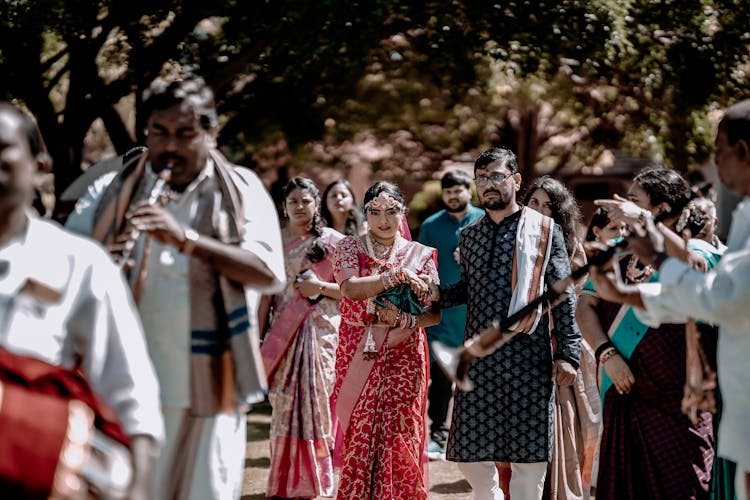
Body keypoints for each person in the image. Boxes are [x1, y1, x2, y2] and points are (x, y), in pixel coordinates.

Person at [65, 78, 285, 499]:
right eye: (159, 133)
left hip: (210, 388)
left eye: (185, 135)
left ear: (210, 134)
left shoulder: (241, 189)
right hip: (124, 386)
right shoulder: (109, 191)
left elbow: (268, 272)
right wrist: (98, 259)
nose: (171, 148)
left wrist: (187, 240)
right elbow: (67, 269)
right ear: (144, 132)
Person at [587, 99, 750, 500]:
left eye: (719, 152)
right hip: (634, 400)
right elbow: (696, 296)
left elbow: (721, 297)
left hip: (684, 405)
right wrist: (618, 298)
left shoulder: (711, 245)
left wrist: (657, 256)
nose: (716, 163)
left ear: (743, 152)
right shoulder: (745, 214)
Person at [0, 102, 164, 498]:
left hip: (35, 471)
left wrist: (138, 489)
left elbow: (132, 394)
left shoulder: (79, 262)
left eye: (1, 148)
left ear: (39, 164)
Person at [436, 147, 581, 500]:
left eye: (496, 176)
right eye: (481, 179)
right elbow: (467, 290)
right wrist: (433, 293)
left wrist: (568, 353)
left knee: (528, 462)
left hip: (528, 359)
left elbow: (562, 294)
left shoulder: (545, 230)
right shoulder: (469, 235)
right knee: (470, 453)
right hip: (479, 360)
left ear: (515, 180)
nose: (488, 185)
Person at [580, 165, 716, 499]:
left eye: (635, 201)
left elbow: (691, 269)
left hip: (681, 400)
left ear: (660, 209)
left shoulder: (698, 251)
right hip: (626, 392)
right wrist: (606, 353)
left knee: (685, 486)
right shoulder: (620, 253)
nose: (624, 208)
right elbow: (584, 306)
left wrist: (642, 220)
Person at [331, 180, 441, 499]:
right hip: (358, 346)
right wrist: (394, 276)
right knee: (358, 425)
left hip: (405, 352)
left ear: (402, 213)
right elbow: (350, 288)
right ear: (365, 213)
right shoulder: (350, 246)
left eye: (391, 212)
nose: (384, 219)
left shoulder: (417, 254)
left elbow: (434, 313)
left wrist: (406, 319)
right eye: (375, 211)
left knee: (402, 426)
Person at [259, 177, 343, 499]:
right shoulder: (272, 242)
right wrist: (259, 336)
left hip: (321, 334)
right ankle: (283, 481)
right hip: (282, 336)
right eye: (292, 201)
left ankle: (316, 480)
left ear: (316, 204)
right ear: (284, 206)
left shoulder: (334, 242)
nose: (298, 207)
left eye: (305, 201)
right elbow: (266, 295)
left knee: (318, 405)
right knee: (283, 406)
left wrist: (320, 288)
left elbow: (351, 292)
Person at [523, 176, 601, 500]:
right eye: (534, 203)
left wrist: (564, 351)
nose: (540, 210)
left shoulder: (570, 248)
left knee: (562, 434)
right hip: (519, 353)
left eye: (548, 206)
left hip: (559, 352)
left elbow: (576, 301)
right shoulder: (512, 242)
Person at [418, 169, 483, 460]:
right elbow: (423, 265)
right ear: (442, 194)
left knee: (477, 374)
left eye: (459, 190)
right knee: (443, 375)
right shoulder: (431, 226)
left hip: (478, 311)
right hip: (442, 312)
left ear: (469, 191)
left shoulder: (484, 218)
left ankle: (474, 434)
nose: (454, 196)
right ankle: (438, 434)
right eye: (448, 191)